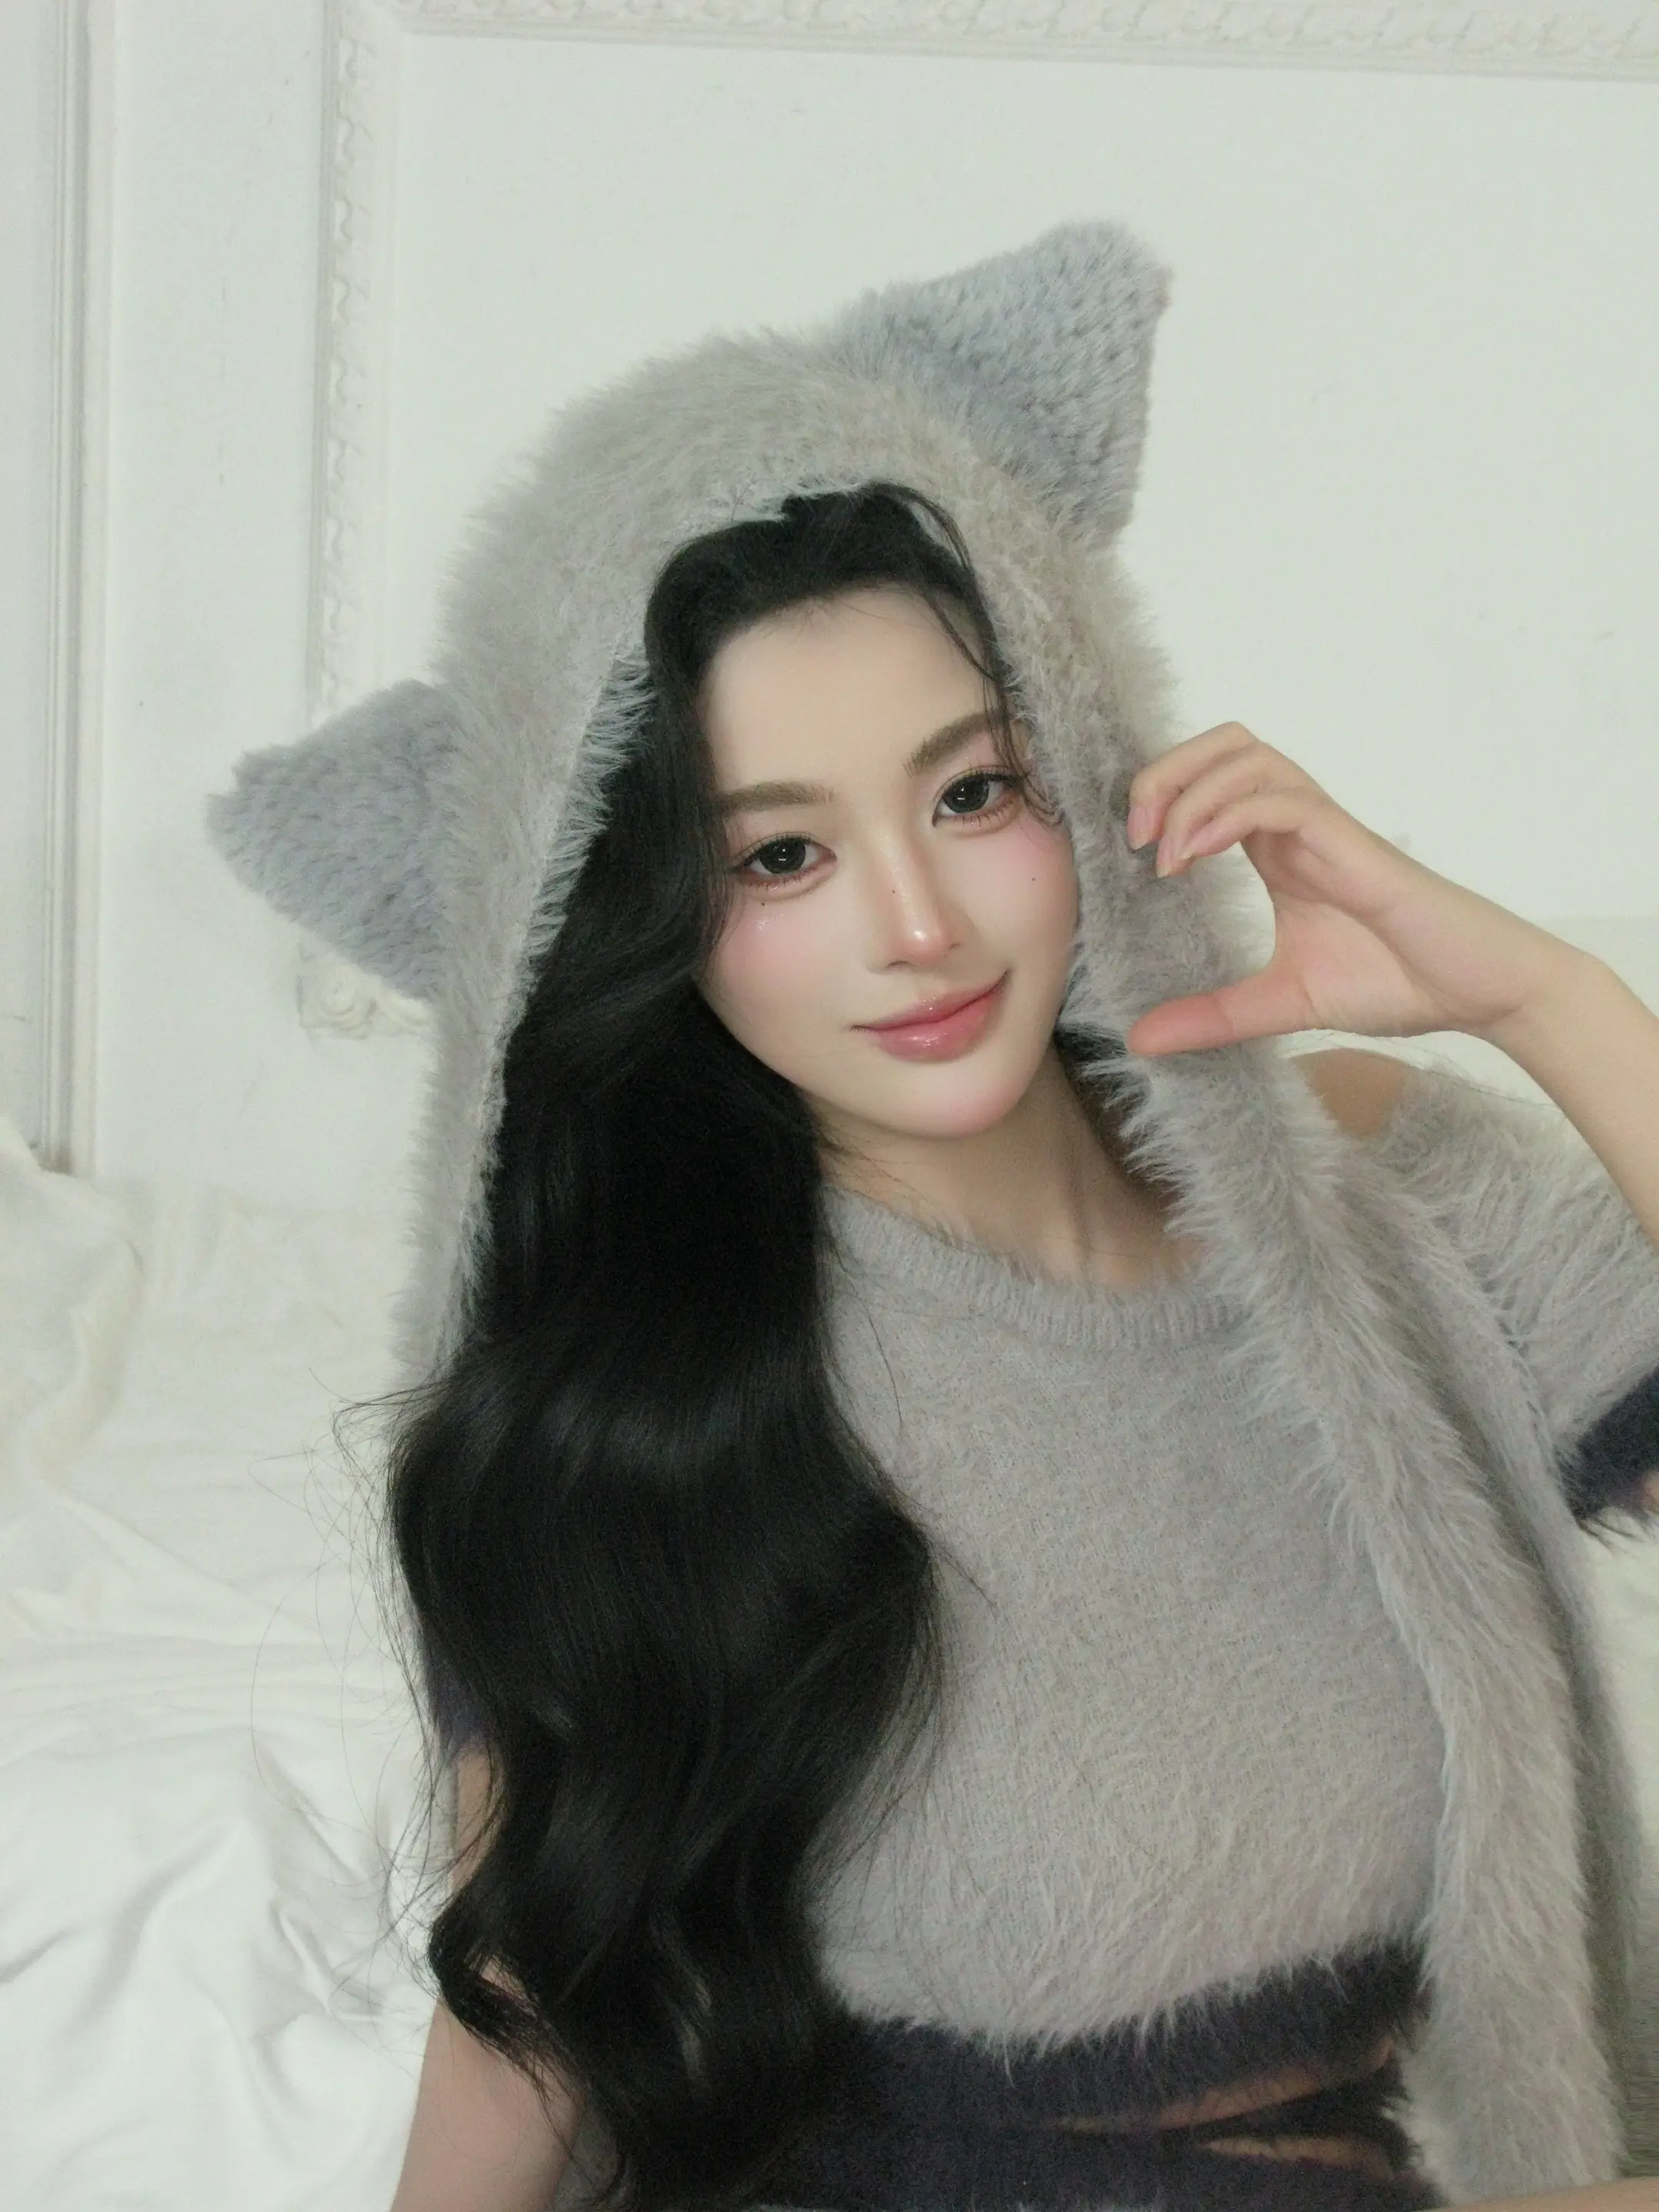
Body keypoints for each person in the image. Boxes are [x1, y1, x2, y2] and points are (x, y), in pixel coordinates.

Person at [206, 228, 1659, 2212]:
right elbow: (537, 2016)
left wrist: (1556, 1004)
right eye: (779, 856)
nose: (914, 925)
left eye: (972, 793)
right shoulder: (638, 1398)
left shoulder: (1385, 1207)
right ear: (644, 923)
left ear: (1084, 755)